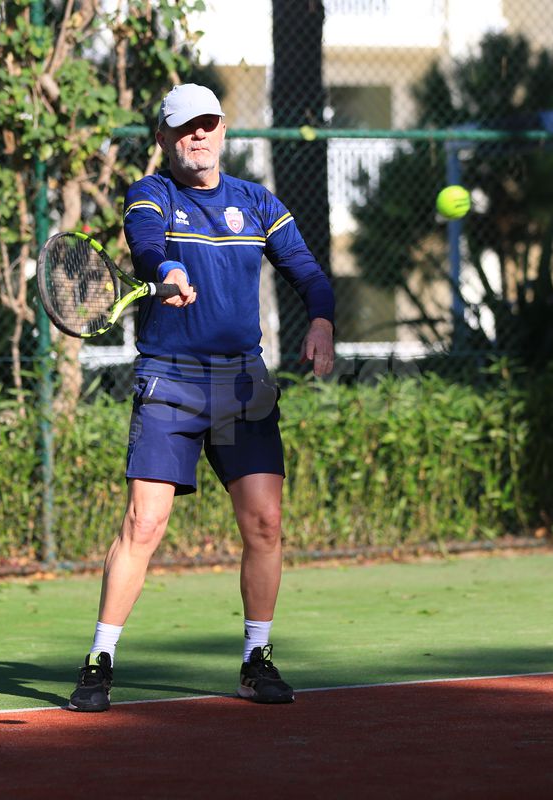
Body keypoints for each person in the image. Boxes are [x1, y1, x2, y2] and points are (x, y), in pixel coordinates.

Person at [68, 84, 336, 712]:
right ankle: (100, 661)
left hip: (244, 385)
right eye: (185, 126)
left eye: (209, 124)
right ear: (164, 138)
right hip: (170, 380)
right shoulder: (151, 193)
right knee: (144, 523)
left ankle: (256, 659)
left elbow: (308, 272)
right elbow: (146, 243)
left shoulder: (258, 203)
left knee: (266, 524)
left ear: (223, 132)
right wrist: (166, 271)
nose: (199, 135)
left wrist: (321, 320)